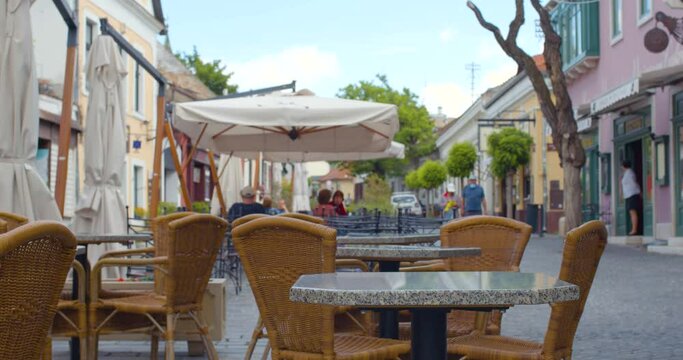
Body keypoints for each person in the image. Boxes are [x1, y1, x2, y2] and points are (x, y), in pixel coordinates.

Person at [621, 160, 641, 235]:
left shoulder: (629, 173)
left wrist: (639, 192)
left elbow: (634, 184)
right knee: (632, 212)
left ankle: (634, 229)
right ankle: (634, 229)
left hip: (632, 195)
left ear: (623, 166)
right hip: (629, 195)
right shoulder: (627, 173)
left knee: (633, 212)